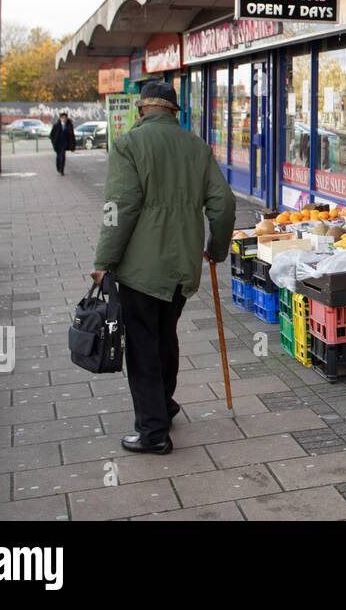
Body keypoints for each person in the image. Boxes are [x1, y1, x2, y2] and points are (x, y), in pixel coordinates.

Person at [90, 80, 235, 455]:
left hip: (141, 267)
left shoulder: (128, 145)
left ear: (142, 110)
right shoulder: (196, 147)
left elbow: (116, 208)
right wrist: (216, 250)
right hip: (182, 265)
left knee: (142, 345)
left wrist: (104, 261)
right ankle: (164, 407)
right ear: (174, 111)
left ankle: (153, 431)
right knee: (165, 334)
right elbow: (224, 204)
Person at [48, 111, 77, 175]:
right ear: (60, 118)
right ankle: (58, 167)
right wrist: (53, 141)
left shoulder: (69, 125)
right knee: (58, 157)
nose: (64, 119)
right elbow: (51, 135)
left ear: (67, 118)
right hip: (57, 143)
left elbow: (72, 135)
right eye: (62, 118)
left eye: (65, 118)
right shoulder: (56, 125)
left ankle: (62, 170)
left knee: (63, 156)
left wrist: (72, 144)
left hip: (64, 144)